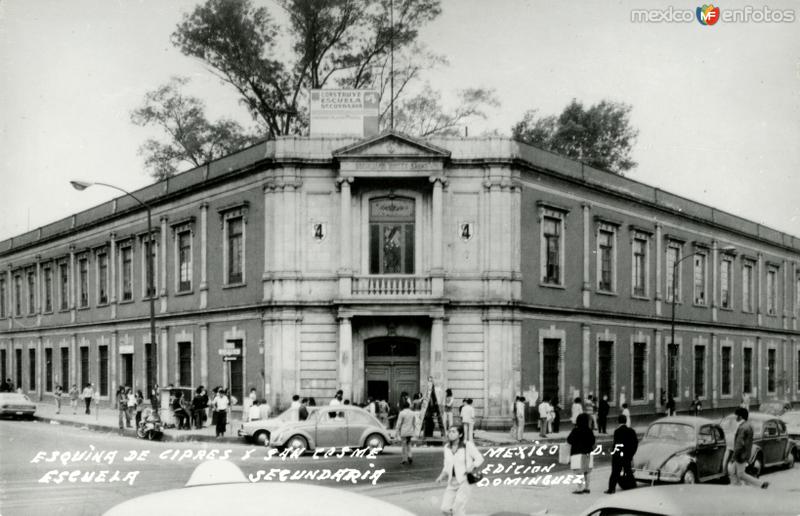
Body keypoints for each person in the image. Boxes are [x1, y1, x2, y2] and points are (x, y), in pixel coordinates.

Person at [436, 425, 484, 516]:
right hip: (452, 481)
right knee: (445, 508)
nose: (450, 433)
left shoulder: (467, 445)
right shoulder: (447, 447)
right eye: (449, 431)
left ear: (460, 434)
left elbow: (479, 458)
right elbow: (447, 465)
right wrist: (441, 476)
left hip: (464, 481)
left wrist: (472, 467)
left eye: (454, 432)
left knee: (458, 508)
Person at [732, 407, 768, 489]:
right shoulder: (748, 425)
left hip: (740, 454)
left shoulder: (742, 427)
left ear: (740, 417)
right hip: (744, 453)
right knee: (732, 471)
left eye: (736, 416)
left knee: (740, 474)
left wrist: (735, 455)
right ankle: (735, 487)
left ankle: (761, 484)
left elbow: (739, 444)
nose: (735, 417)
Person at [605, 414, 639, 493]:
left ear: (618, 421)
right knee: (628, 470)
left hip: (618, 456)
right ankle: (633, 485)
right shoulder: (631, 430)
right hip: (627, 455)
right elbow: (635, 443)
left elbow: (616, 444)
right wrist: (631, 454)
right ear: (626, 421)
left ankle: (611, 489)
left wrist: (613, 452)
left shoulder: (617, 431)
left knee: (615, 472)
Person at [567, 412, 596, 494]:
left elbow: (569, 440)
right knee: (587, 471)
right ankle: (587, 488)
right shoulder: (589, 430)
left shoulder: (575, 430)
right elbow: (593, 441)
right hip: (588, 453)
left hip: (577, 453)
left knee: (578, 471)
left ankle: (579, 488)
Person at [396, 400, 416, 465]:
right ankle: (410, 456)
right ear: (409, 406)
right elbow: (414, 423)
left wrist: (397, 432)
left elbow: (399, 423)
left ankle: (404, 459)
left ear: (403, 407)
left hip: (404, 431)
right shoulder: (413, 413)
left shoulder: (401, 413)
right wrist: (414, 431)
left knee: (404, 445)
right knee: (409, 444)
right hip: (410, 431)